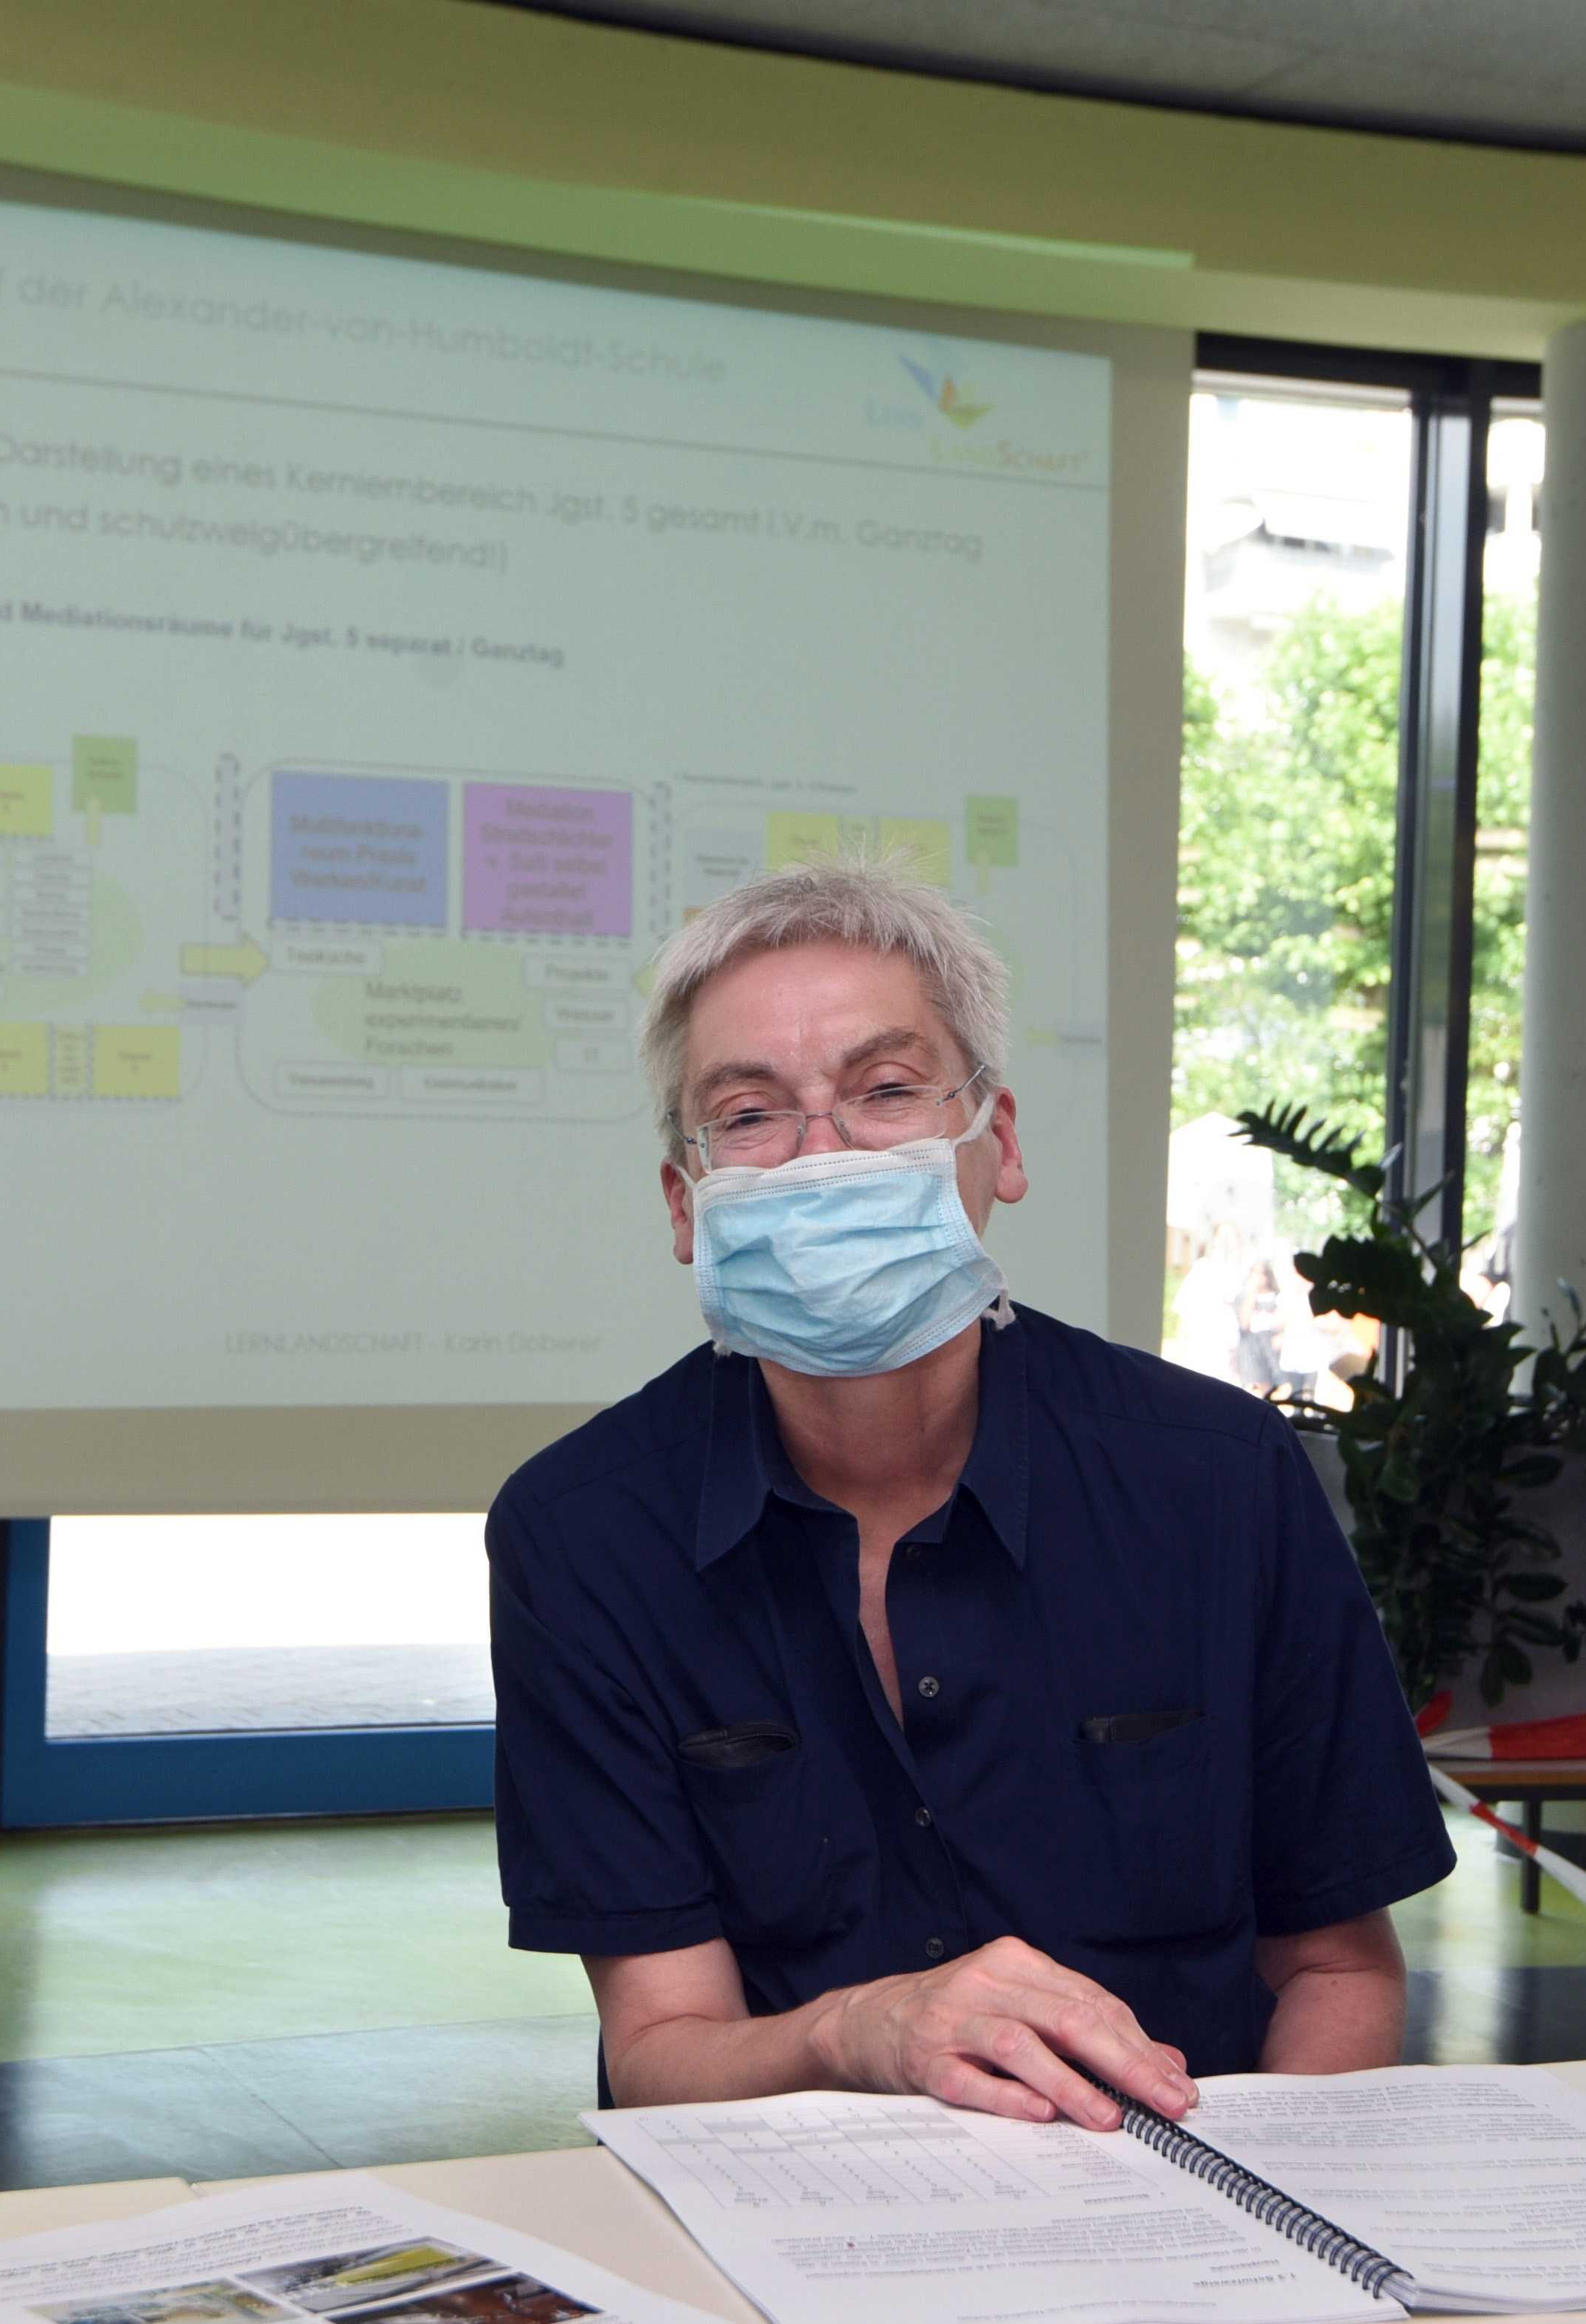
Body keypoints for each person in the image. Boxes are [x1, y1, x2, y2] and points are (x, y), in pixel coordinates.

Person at [489, 864, 1450, 2127]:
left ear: (998, 1141)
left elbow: (1337, 1969)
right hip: (791, 2209)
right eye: (749, 1114)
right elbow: (662, 2045)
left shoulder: (1219, 1480)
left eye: (885, 1091)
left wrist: (1243, 2210)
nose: (822, 1155)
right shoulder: (582, 1535)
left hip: (1183, 2193)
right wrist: (859, 2029)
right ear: (686, 1203)